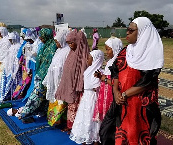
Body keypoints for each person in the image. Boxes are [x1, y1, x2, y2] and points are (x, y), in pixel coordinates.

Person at [100, 17, 164, 145]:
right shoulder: (125, 51)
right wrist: (116, 91)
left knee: (136, 136)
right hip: (121, 103)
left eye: (131, 30)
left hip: (139, 105)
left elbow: (147, 82)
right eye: (127, 30)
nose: (127, 33)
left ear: (142, 32)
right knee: (116, 134)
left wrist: (124, 94)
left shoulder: (150, 54)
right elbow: (115, 71)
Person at [55, 30, 90, 133]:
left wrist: (78, 85)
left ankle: (75, 128)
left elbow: (83, 73)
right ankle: (70, 126)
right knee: (70, 107)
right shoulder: (71, 54)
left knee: (77, 109)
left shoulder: (84, 56)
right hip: (70, 87)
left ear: (78, 41)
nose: (70, 45)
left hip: (79, 89)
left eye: (71, 43)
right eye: (68, 43)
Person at [20, 28, 57, 123]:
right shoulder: (45, 46)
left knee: (38, 96)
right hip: (40, 74)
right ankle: (31, 113)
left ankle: (28, 113)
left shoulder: (53, 47)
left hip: (45, 75)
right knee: (39, 95)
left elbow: (50, 63)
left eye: (42, 36)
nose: (40, 38)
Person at [70, 50, 104, 145]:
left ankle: (95, 138)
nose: (87, 60)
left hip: (94, 97)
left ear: (95, 60)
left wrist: (96, 87)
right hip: (87, 97)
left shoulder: (99, 72)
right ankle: (86, 136)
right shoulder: (88, 70)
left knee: (94, 118)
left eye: (89, 58)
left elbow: (99, 85)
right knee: (86, 116)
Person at [42, 30, 70, 126]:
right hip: (54, 80)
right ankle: (55, 119)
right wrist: (47, 79)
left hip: (61, 80)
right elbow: (52, 65)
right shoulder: (58, 51)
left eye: (57, 41)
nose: (56, 44)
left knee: (61, 100)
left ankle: (60, 120)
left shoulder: (68, 51)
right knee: (54, 98)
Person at [93, 37, 123, 122]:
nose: (107, 53)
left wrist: (104, 78)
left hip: (111, 93)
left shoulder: (117, 63)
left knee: (110, 116)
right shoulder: (110, 61)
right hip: (105, 92)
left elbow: (117, 82)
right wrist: (100, 76)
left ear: (115, 49)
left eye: (108, 50)